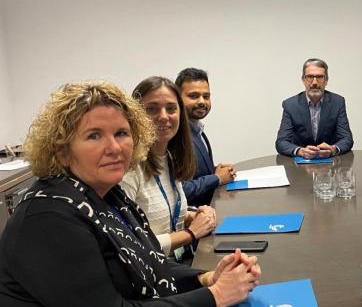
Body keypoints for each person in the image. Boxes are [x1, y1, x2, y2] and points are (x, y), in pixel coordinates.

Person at [0, 81, 260, 306]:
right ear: (62, 151)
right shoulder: (49, 217)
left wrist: (205, 278)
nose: (114, 147)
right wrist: (215, 296)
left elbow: (148, 261)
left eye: (122, 133)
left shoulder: (110, 196)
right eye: (94, 136)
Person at [121, 77, 215, 262]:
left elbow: (162, 217)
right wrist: (190, 233)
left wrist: (194, 216)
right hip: (157, 275)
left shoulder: (169, 158)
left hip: (180, 264)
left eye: (171, 108)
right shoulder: (128, 170)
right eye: (152, 109)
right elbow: (131, 245)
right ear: (135, 116)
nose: (164, 116)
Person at [175, 68, 236, 207]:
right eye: (193, 96)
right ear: (177, 98)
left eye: (206, 96)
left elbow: (193, 174)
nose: (202, 101)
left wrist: (217, 170)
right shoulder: (174, 136)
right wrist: (216, 178)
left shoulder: (197, 129)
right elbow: (178, 190)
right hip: (192, 218)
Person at [276, 58, 354, 158]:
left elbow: (346, 139)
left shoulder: (338, 102)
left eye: (320, 77)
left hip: (330, 165)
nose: (314, 82)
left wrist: (333, 149)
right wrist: (300, 151)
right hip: (300, 166)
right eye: (310, 77)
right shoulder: (290, 105)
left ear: (326, 80)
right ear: (303, 80)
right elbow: (281, 142)